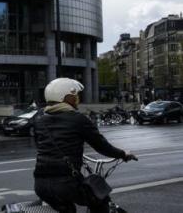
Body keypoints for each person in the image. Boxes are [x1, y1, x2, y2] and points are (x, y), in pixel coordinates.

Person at [33, 78, 137, 213]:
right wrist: (123, 154)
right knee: (100, 200)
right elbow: (101, 146)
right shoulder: (78, 119)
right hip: (66, 184)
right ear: (66, 97)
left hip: (40, 185)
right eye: (75, 95)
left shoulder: (39, 119)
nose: (78, 99)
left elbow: (41, 145)